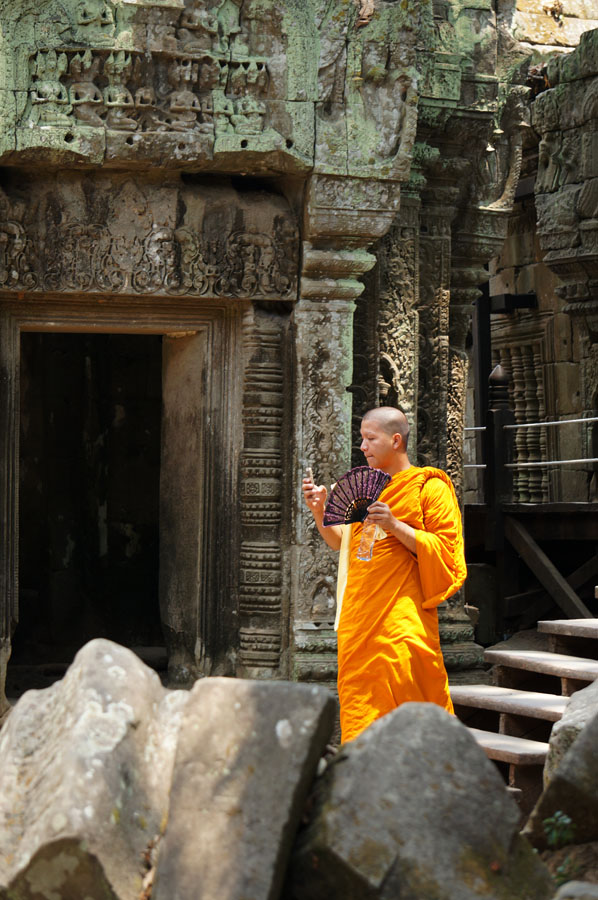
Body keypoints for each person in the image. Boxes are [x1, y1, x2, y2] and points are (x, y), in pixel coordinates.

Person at [302, 406, 467, 743]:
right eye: (362, 439)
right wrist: (320, 512)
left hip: (402, 620)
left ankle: (423, 774)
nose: (363, 447)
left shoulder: (427, 487)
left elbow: (445, 551)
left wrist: (395, 525)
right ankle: (365, 780)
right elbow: (345, 545)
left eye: (370, 438)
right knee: (362, 705)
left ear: (395, 440)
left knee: (410, 699)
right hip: (360, 618)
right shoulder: (365, 489)